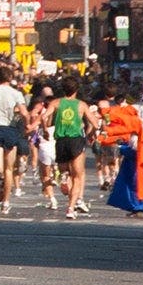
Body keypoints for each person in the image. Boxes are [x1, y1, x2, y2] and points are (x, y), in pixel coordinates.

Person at [0, 69, 30, 215]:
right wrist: (26, 125)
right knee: (10, 169)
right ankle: (6, 202)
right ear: (10, 78)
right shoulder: (16, 93)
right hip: (10, 129)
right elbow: (24, 112)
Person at [51, 78, 90, 220]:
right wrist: (90, 132)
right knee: (78, 177)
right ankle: (70, 208)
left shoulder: (56, 103)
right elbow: (95, 123)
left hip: (60, 140)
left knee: (64, 170)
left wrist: (43, 129)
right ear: (76, 90)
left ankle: (63, 175)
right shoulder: (81, 105)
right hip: (76, 140)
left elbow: (44, 116)